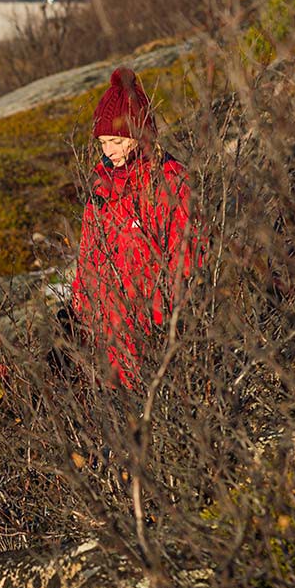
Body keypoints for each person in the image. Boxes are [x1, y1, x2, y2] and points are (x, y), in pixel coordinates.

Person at [69, 67, 196, 389]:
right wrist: (82, 314)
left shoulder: (171, 182)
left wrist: (160, 320)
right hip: (107, 338)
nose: (107, 150)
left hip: (156, 335)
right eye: (102, 142)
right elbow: (88, 260)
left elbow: (186, 258)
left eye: (115, 140)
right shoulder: (101, 189)